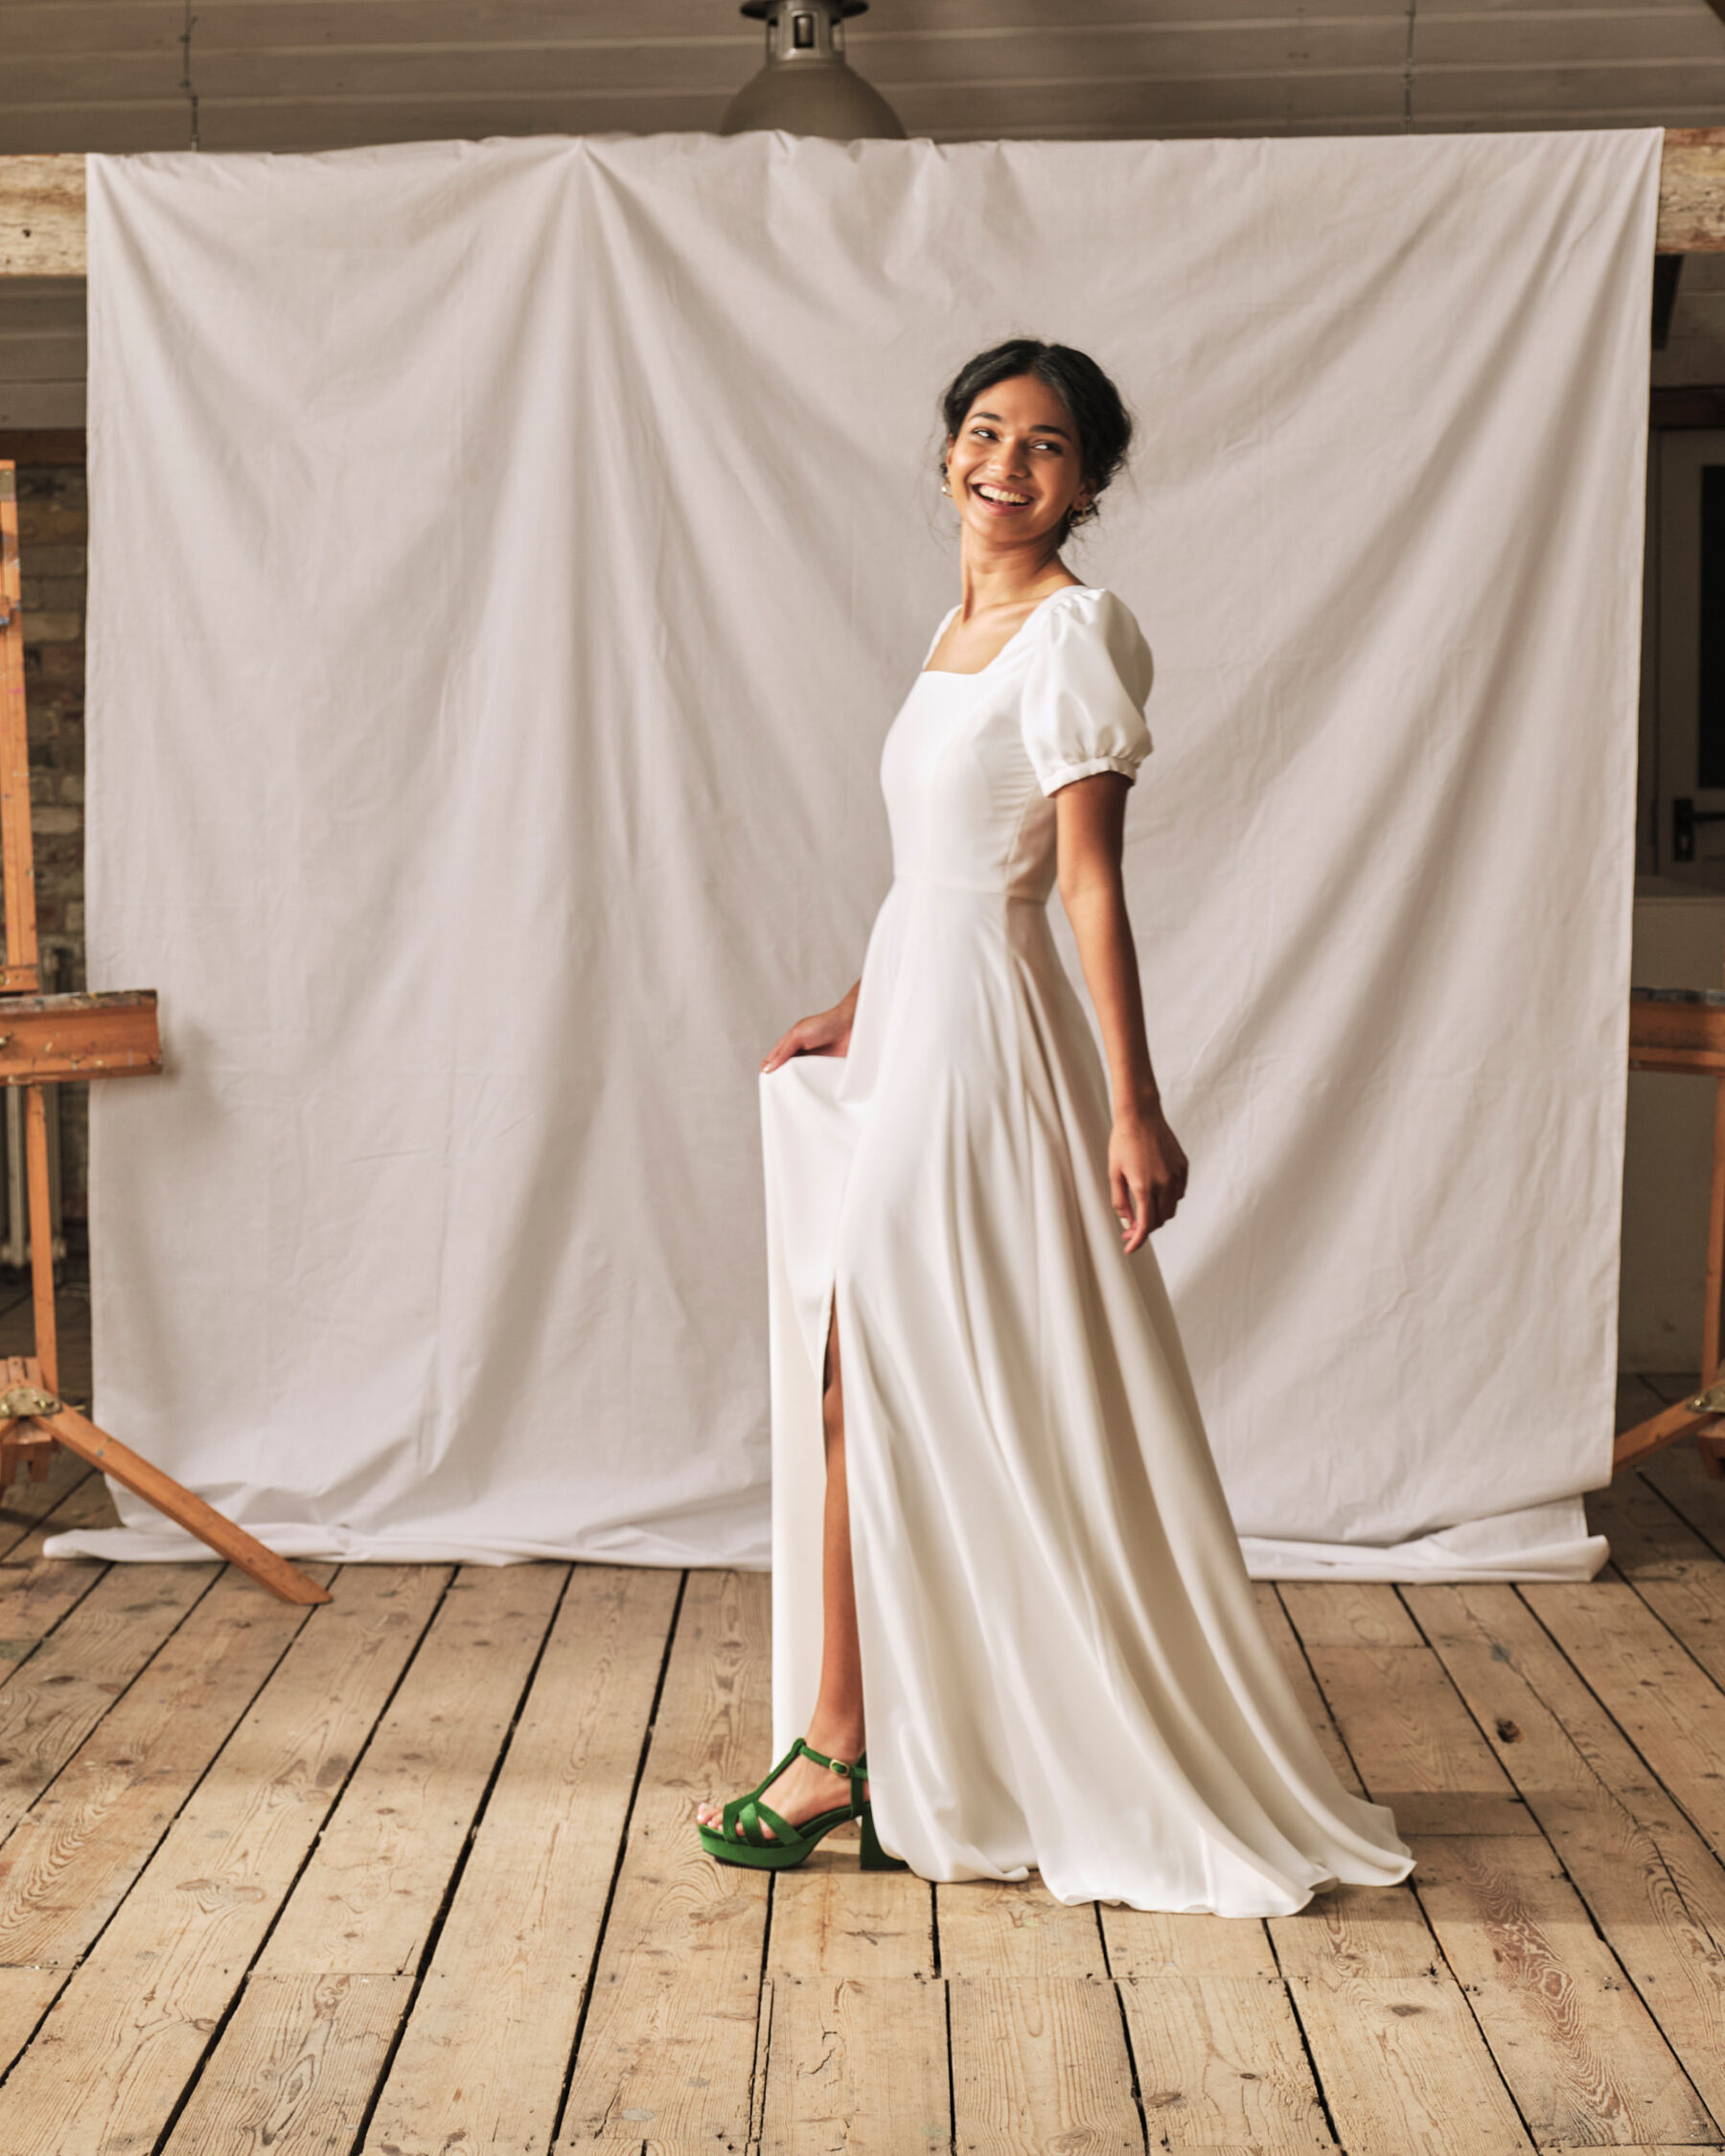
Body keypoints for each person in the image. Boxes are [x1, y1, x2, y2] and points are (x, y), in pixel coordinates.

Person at [695, 338, 1415, 1915]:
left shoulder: (1080, 631)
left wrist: (1136, 1103)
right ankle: (885, 1743)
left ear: (1089, 481)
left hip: (991, 1049)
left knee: (879, 1364)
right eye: (983, 432)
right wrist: (856, 998)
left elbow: (1079, 880)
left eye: (1047, 444)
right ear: (945, 454)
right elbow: (942, 868)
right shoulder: (956, 626)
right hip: (922, 1016)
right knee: (860, 1372)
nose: (1006, 463)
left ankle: (845, 1747)